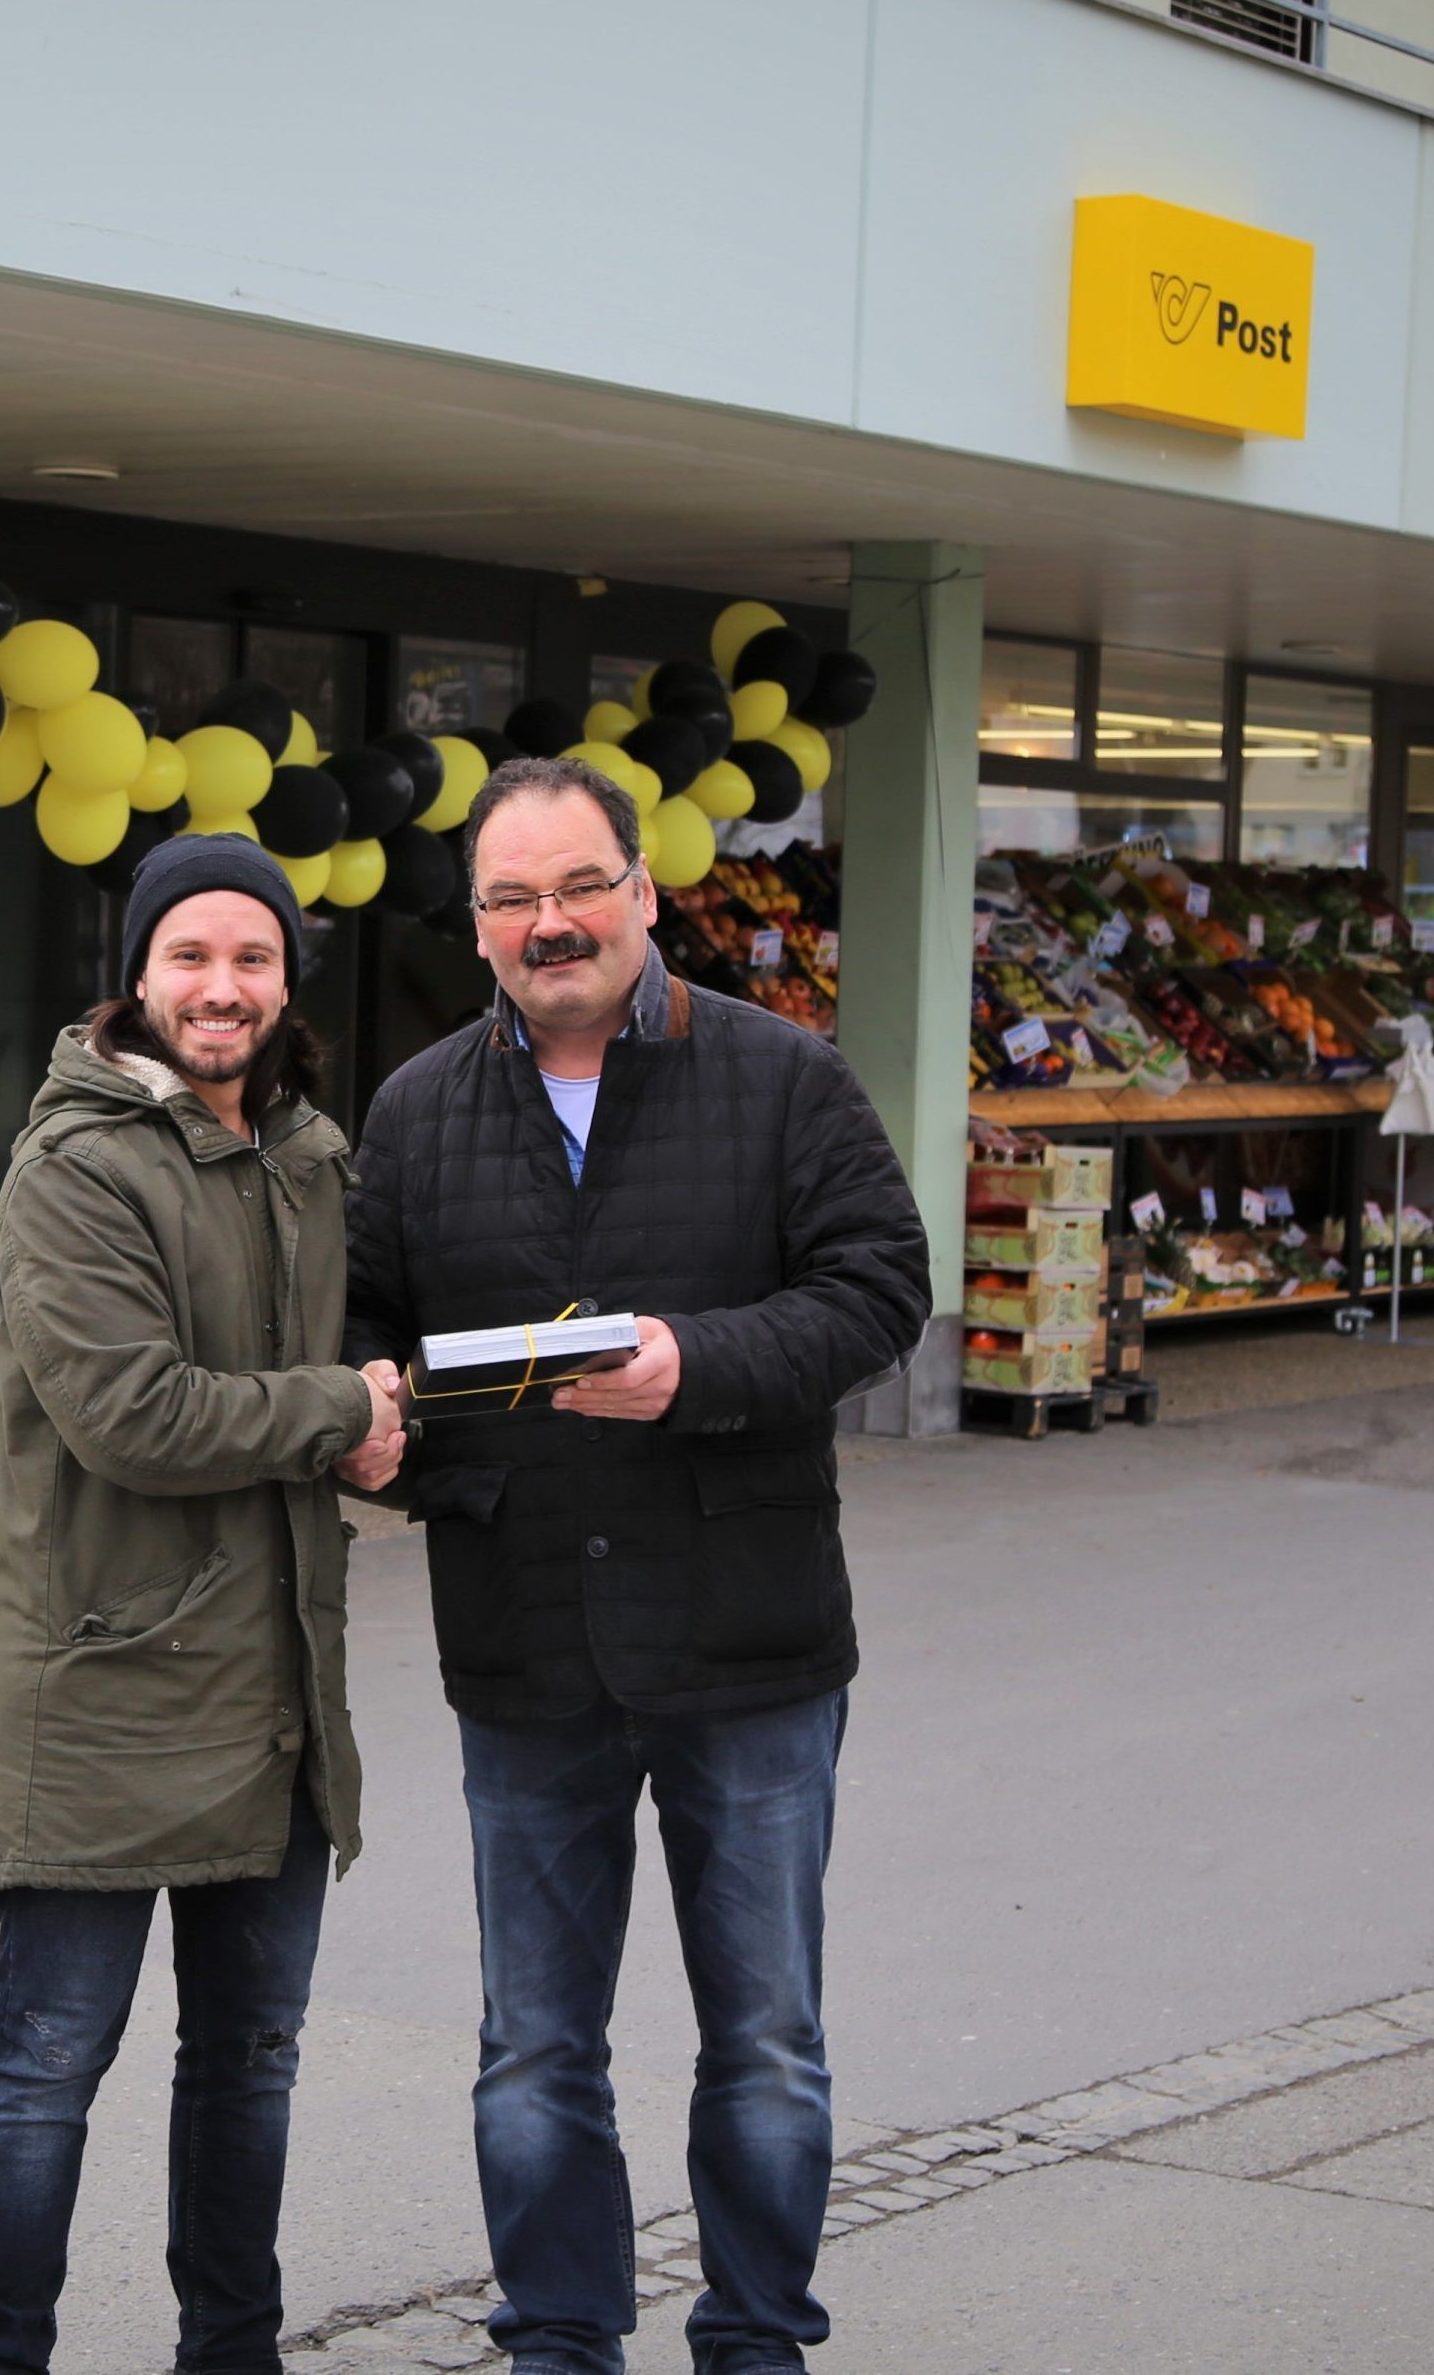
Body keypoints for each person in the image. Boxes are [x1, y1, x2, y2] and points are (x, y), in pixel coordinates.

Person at [346, 755, 929, 2375]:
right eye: (514, 898)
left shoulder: (780, 1076)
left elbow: (883, 1287)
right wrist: (372, 1425)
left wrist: (702, 1363)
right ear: (476, 928)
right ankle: (559, 2340)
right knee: (535, 2047)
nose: (553, 923)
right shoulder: (416, 1110)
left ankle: (754, 2339)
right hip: (526, 1637)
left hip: (748, 1640)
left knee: (764, 2039)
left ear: (645, 892)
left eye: (580, 886)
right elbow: (361, 1329)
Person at [0, 831, 409, 2375]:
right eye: (192, 956)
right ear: (138, 973)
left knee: (248, 2062)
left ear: (289, 982)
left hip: (271, 1685)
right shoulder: (73, 1167)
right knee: (46, 2064)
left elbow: (354, 1384)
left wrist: (388, 1419)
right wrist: (340, 1409)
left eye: (253, 958)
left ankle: (234, 2353)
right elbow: (130, 1414)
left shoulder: (306, 1156)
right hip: (103, 1682)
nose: (222, 987)